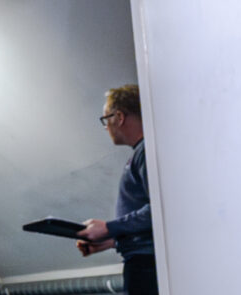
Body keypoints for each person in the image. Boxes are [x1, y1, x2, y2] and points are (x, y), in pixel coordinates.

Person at [75, 84, 156, 295]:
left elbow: (158, 211)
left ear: (119, 117)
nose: (106, 127)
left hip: (146, 265)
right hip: (142, 261)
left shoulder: (145, 152)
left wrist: (108, 228)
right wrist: (110, 241)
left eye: (106, 119)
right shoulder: (142, 152)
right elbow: (151, 228)